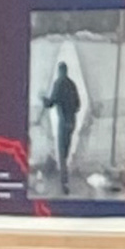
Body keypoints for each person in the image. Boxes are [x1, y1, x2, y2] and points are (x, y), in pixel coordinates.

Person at [40, 52, 86, 190]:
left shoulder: (58, 83)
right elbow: (78, 105)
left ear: (59, 71)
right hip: (72, 121)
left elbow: (50, 103)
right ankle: (65, 179)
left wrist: (42, 98)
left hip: (63, 122)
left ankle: (64, 182)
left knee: (61, 151)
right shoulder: (72, 84)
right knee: (66, 150)